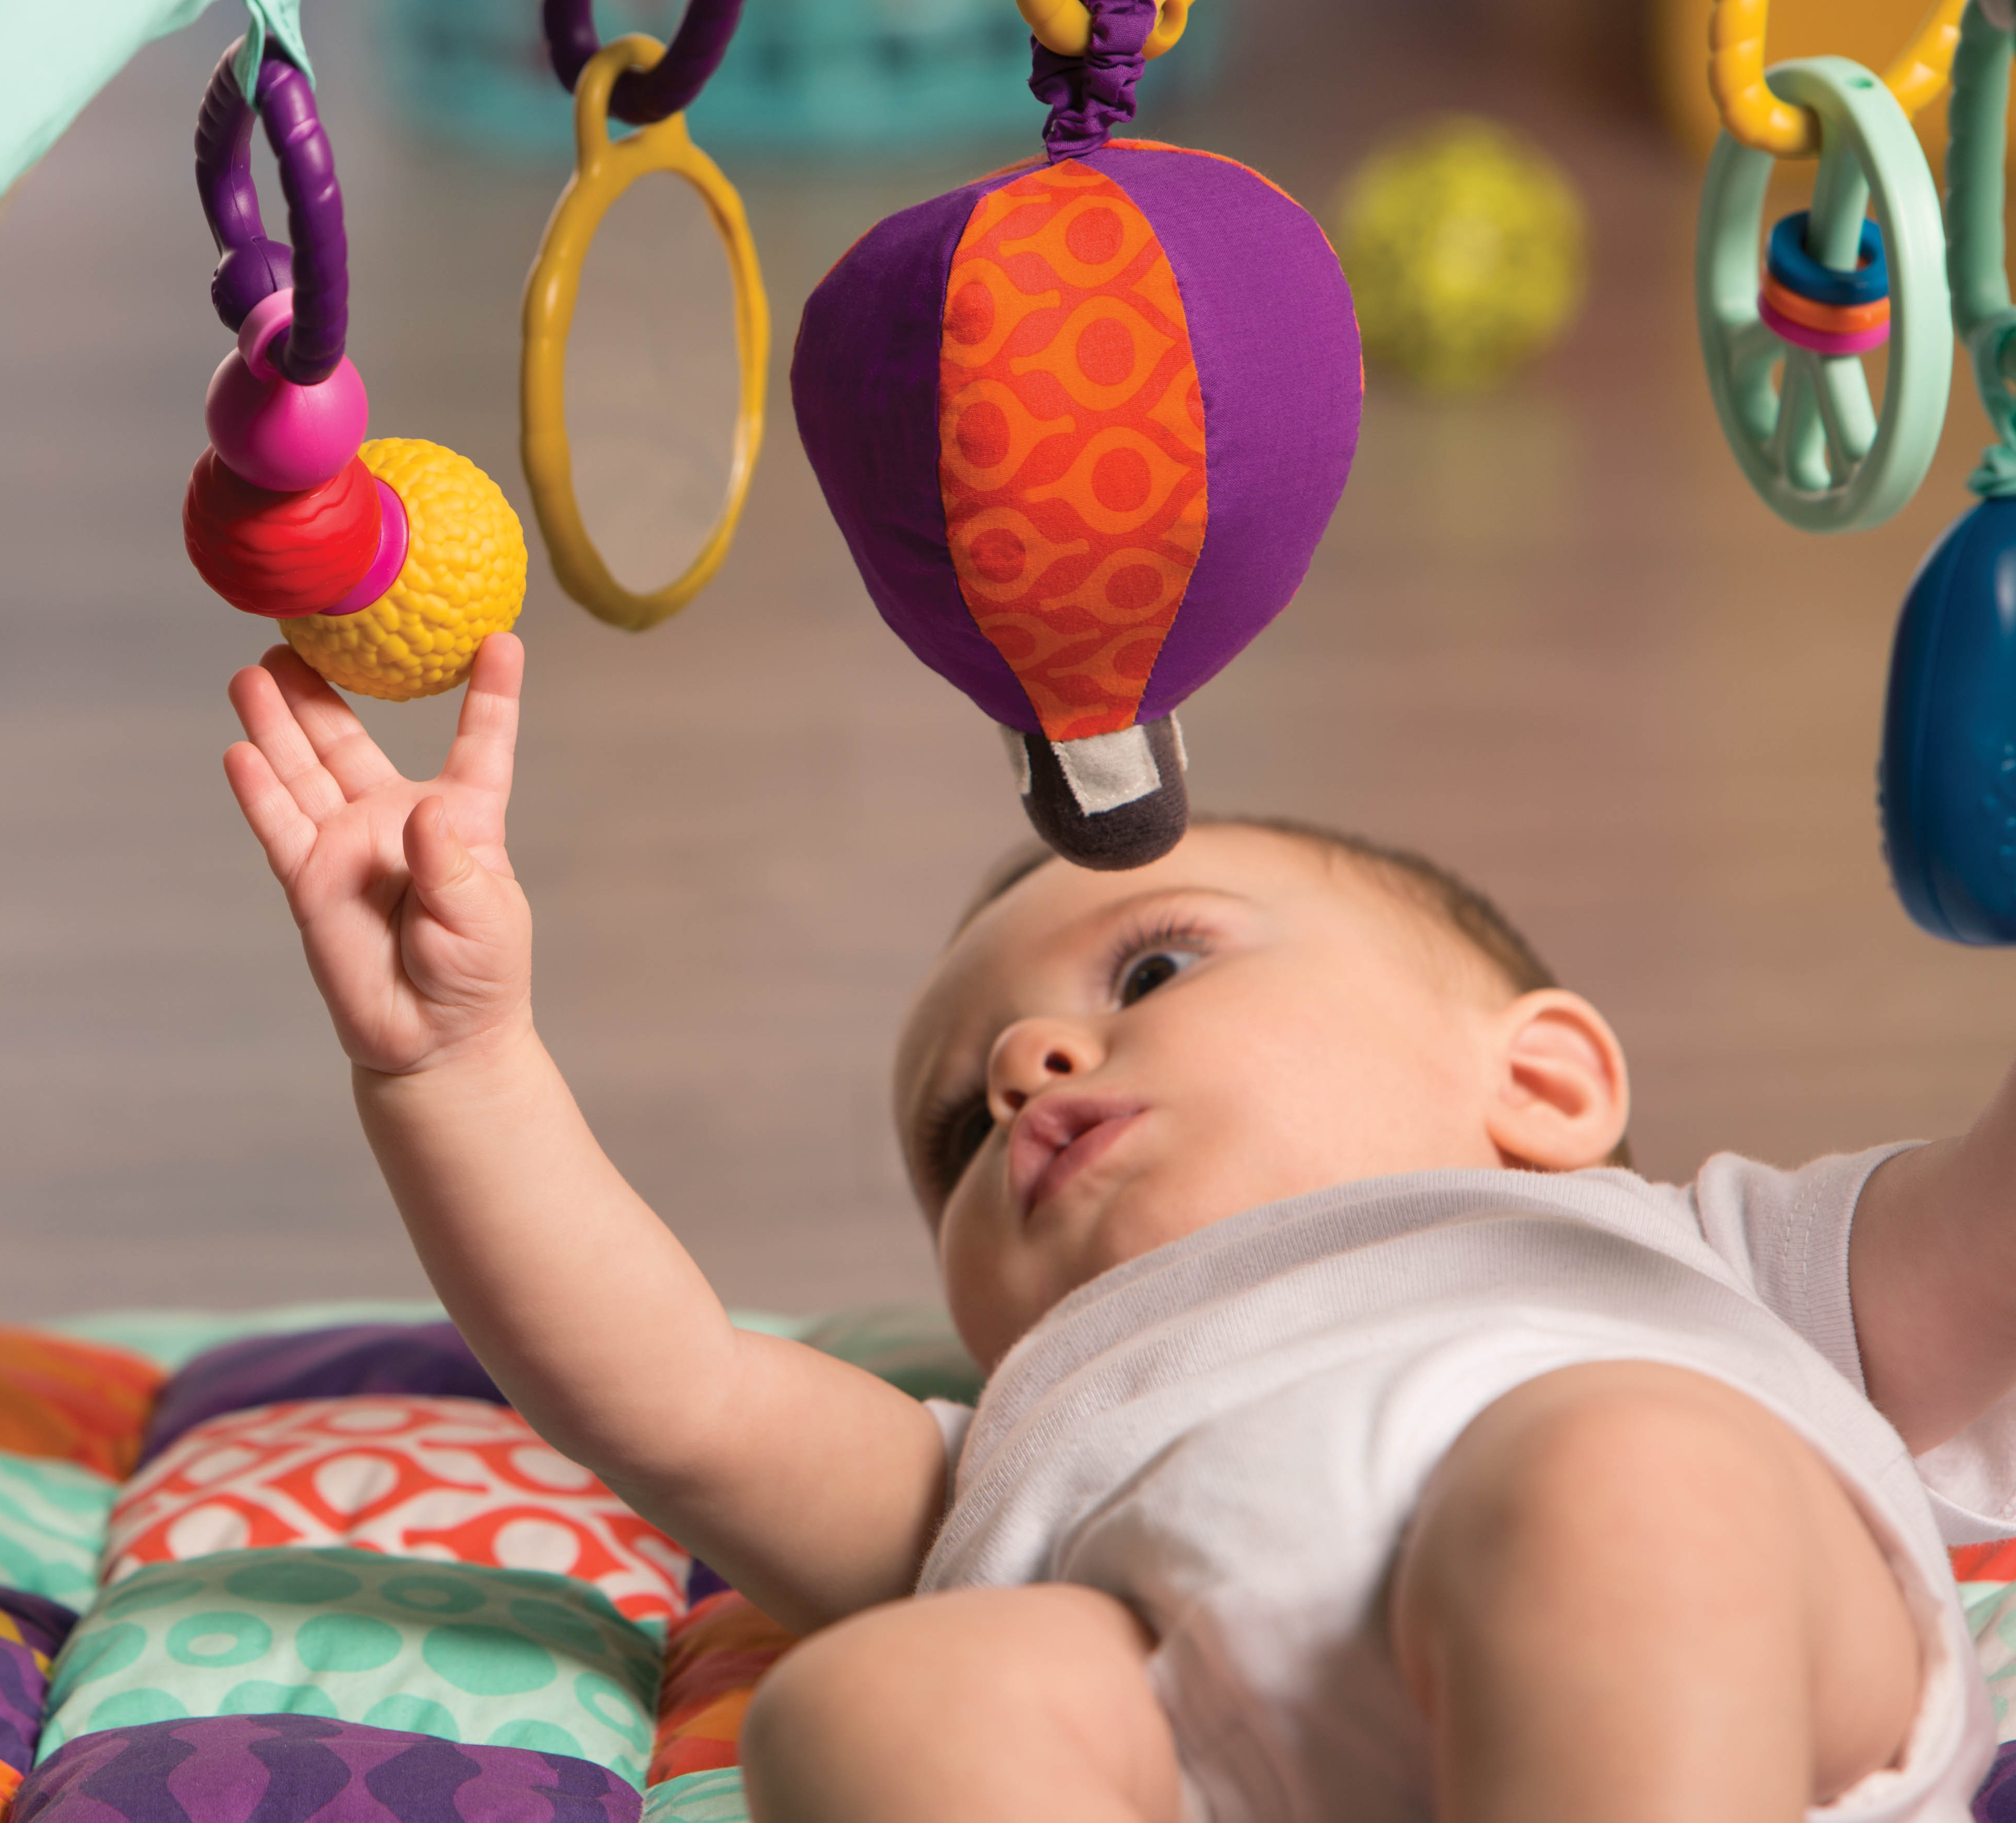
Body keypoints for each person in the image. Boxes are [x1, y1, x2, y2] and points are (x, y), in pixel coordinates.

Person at [221, 633, 2016, 1823]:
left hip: (1702, 1721)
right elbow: (668, 1387)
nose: (1023, 1064)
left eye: (1156, 963)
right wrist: (457, 1066)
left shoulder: (1698, 1257)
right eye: (954, 1126)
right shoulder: (1019, 1438)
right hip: (1213, 1764)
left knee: (1619, 1473)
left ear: (1540, 1091)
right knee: (877, 1707)